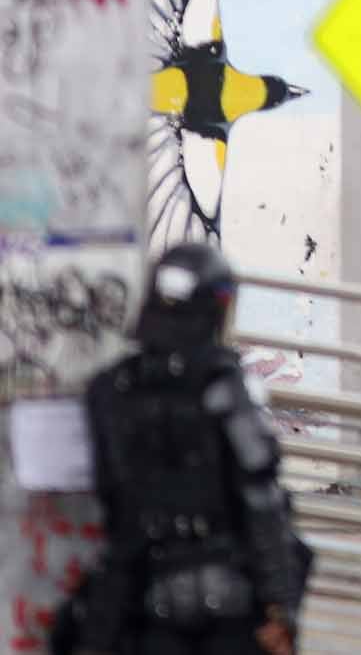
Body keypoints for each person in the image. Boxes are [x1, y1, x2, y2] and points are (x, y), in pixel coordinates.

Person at [66, 243, 310, 655]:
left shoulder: (109, 390)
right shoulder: (222, 389)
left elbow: (110, 496)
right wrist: (281, 605)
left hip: (139, 595)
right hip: (222, 605)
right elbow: (262, 502)